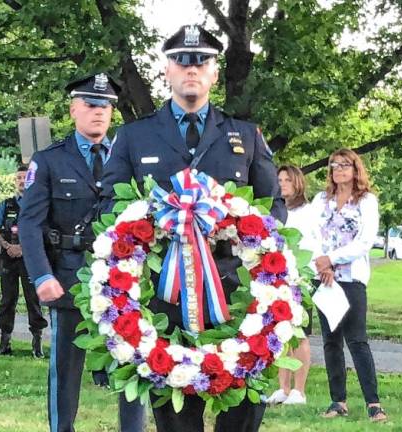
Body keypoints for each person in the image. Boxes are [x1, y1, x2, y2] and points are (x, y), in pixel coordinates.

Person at [100, 25, 286, 432]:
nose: (192, 69)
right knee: (176, 408)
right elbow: (110, 206)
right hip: (163, 296)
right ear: (167, 69)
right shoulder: (134, 135)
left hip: (235, 291)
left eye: (202, 61)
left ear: (215, 73)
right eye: (182, 61)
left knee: (243, 406)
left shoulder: (245, 136)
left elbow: (274, 207)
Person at [18, 73, 145, 432]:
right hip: (69, 274)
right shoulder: (49, 161)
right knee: (66, 369)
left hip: (121, 279)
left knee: (132, 364)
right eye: (90, 105)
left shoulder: (128, 159)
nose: (99, 112)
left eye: (105, 106)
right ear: (74, 109)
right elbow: (29, 224)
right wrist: (42, 275)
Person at [310, 149, 386, 422]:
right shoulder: (321, 199)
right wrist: (323, 264)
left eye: (345, 165)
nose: (339, 169)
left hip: (351, 279)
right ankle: (337, 400)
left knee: (357, 340)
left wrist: (333, 258)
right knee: (331, 342)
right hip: (324, 277)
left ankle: (373, 403)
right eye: (334, 165)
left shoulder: (366, 201)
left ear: (355, 169)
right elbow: (311, 235)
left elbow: (365, 242)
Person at [266, 165, 314, 405]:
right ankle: (283, 388)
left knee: (300, 332)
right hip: (276, 276)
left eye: (287, 180)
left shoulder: (307, 212)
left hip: (299, 277)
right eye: (279, 179)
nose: (282, 183)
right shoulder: (274, 210)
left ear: (297, 183)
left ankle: (299, 390)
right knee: (280, 333)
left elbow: (310, 244)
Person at [0, 164, 47, 358]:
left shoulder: (39, 204)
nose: (22, 181)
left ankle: (37, 343)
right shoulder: (5, 204)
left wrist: (23, 248)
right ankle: (4, 342)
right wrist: (8, 246)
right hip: (8, 258)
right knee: (7, 300)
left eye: (26, 178)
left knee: (33, 300)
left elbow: (43, 231)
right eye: (19, 178)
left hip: (31, 259)